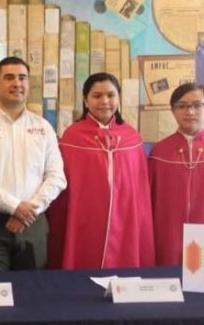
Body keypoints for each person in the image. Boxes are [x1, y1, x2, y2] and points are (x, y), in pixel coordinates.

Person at [48, 72, 154, 269]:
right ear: (85, 100)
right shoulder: (72, 136)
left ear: (118, 99)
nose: (104, 101)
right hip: (84, 217)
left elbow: (139, 188)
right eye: (97, 96)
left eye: (111, 95)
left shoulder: (132, 137)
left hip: (125, 217)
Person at [0, 57, 66, 271]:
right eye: (9, 77)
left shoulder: (43, 127)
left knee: (33, 288)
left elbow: (57, 177)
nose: (17, 83)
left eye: (22, 78)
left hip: (33, 222)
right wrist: (14, 207)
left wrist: (28, 211)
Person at [149, 83, 204, 266]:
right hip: (168, 235)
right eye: (182, 106)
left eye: (197, 105)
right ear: (173, 111)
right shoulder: (159, 152)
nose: (190, 112)